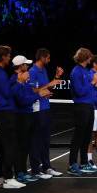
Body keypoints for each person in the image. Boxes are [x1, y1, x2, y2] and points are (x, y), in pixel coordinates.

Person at [11, 55, 52, 183]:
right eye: (25, 64)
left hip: (27, 115)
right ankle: (19, 173)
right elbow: (23, 100)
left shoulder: (24, 80)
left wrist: (38, 94)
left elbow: (30, 95)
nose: (27, 66)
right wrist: (38, 94)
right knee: (20, 146)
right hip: (20, 116)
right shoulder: (14, 81)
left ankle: (23, 171)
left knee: (25, 146)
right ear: (20, 67)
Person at [0, 45, 26, 189]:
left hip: (0, 112)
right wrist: (19, 82)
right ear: (3, 57)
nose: (9, 58)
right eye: (8, 56)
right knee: (10, 145)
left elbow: (6, 88)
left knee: (1, 146)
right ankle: (9, 178)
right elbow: (8, 93)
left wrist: (15, 81)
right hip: (5, 113)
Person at [28, 48, 64, 178]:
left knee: (45, 140)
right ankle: (36, 170)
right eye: (48, 58)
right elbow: (32, 91)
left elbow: (48, 87)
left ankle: (47, 167)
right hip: (36, 110)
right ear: (42, 57)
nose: (49, 60)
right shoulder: (32, 71)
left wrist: (56, 77)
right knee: (36, 141)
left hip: (46, 108)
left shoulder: (43, 70)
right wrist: (49, 84)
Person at [68, 47, 97, 176]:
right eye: (89, 56)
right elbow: (79, 91)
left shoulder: (84, 71)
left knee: (86, 137)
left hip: (88, 106)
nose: (91, 58)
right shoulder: (76, 72)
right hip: (81, 107)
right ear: (85, 57)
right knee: (78, 137)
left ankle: (84, 163)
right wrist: (93, 82)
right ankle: (72, 164)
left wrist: (95, 84)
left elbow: (89, 89)